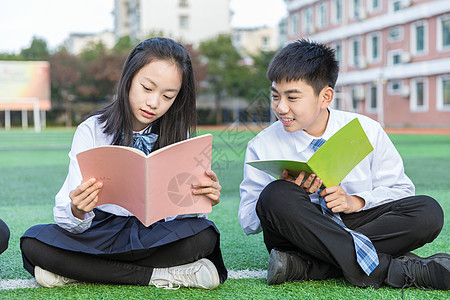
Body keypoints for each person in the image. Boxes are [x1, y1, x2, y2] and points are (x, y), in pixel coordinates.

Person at [239, 39, 449, 292]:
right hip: (298, 233)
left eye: (292, 97)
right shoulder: (262, 145)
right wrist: (285, 188)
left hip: (355, 222)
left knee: (427, 211)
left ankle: (307, 266)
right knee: (276, 195)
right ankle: (394, 271)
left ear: (325, 96)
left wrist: (355, 202)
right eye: (275, 97)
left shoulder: (366, 130)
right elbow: (248, 221)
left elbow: (402, 190)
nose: (281, 108)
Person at [21, 37, 227, 290]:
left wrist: (201, 198)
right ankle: (162, 275)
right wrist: (78, 209)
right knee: (34, 242)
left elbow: (181, 213)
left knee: (204, 234)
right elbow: (69, 214)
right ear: (129, 78)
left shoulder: (180, 137)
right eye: (147, 88)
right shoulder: (92, 130)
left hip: (153, 234)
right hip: (100, 232)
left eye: (168, 96)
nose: (154, 103)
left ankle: (82, 271)